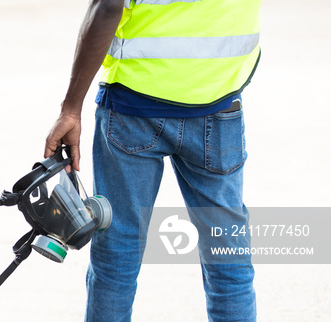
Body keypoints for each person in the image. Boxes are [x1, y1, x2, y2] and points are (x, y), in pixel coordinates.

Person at [43, 0, 261, 321]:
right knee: (227, 259)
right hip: (217, 106)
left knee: (117, 258)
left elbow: (108, 6)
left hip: (133, 106)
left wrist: (70, 109)